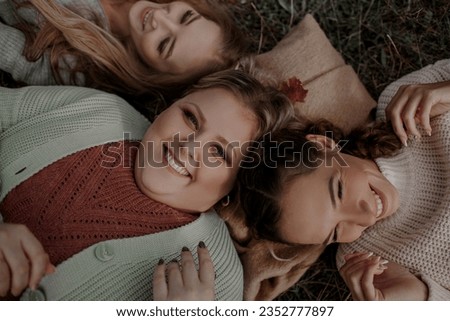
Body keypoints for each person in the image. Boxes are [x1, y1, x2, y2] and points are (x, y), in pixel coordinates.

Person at [0, 68, 295, 300]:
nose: (189, 146)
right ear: (168, 107)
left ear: (234, 186)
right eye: (191, 118)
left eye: (219, 152)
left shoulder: (216, 278)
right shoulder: (99, 108)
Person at [236, 59, 450, 300]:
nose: (367, 215)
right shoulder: (365, 258)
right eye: (335, 232)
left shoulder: (409, 106)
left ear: (324, 144)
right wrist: (418, 300)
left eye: (339, 191)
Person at [0, 0, 249, 104]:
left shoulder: (79, 65)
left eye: (164, 43)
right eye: (185, 16)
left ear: (152, 74)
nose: (160, 17)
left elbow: (7, 48)